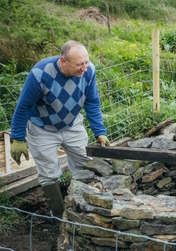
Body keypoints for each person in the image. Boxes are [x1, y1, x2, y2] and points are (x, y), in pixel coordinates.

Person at [10, 40, 110, 218]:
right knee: (49, 173)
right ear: (63, 61)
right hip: (43, 129)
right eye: (79, 64)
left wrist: (100, 132)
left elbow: (92, 102)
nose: (84, 68)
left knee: (85, 164)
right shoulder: (40, 74)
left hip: (72, 125)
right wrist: (18, 138)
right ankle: (59, 216)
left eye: (86, 62)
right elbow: (23, 106)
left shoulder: (89, 72)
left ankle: (86, 209)